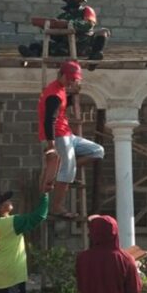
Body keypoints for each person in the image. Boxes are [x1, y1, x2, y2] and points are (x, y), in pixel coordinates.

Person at [37, 60, 105, 218]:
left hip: (68, 134)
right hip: (58, 136)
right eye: (69, 78)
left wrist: (71, 96)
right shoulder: (53, 94)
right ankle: (57, 206)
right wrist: (51, 146)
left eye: (74, 79)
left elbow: (59, 109)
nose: (71, 82)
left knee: (98, 151)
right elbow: (49, 120)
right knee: (68, 169)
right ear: (61, 75)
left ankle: (64, 172)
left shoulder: (60, 90)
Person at [19, 0, 109, 60]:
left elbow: (88, 24)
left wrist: (67, 24)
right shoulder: (62, 16)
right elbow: (57, 37)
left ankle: (95, 57)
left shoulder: (86, 10)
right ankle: (32, 57)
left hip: (84, 45)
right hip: (66, 47)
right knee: (36, 45)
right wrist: (47, 27)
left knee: (103, 31)